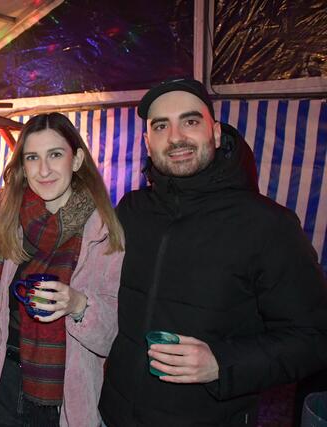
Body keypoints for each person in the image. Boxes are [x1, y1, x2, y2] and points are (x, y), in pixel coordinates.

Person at [99, 78, 327, 426]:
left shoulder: (267, 225)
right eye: (161, 126)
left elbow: (314, 337)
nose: (176, 137)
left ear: (216, 133)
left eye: (190, 121)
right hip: (114, 415)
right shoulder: (131, 210)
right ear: (147, 142)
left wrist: (222, 363)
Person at [0, 112, 125, 427]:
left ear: (76, 160)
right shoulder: (3, 216)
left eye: (55, 155)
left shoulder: (103, 230)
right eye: (33, 157)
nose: (44, 169)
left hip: (63, 396)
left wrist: (78, 305)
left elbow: (111, 336)